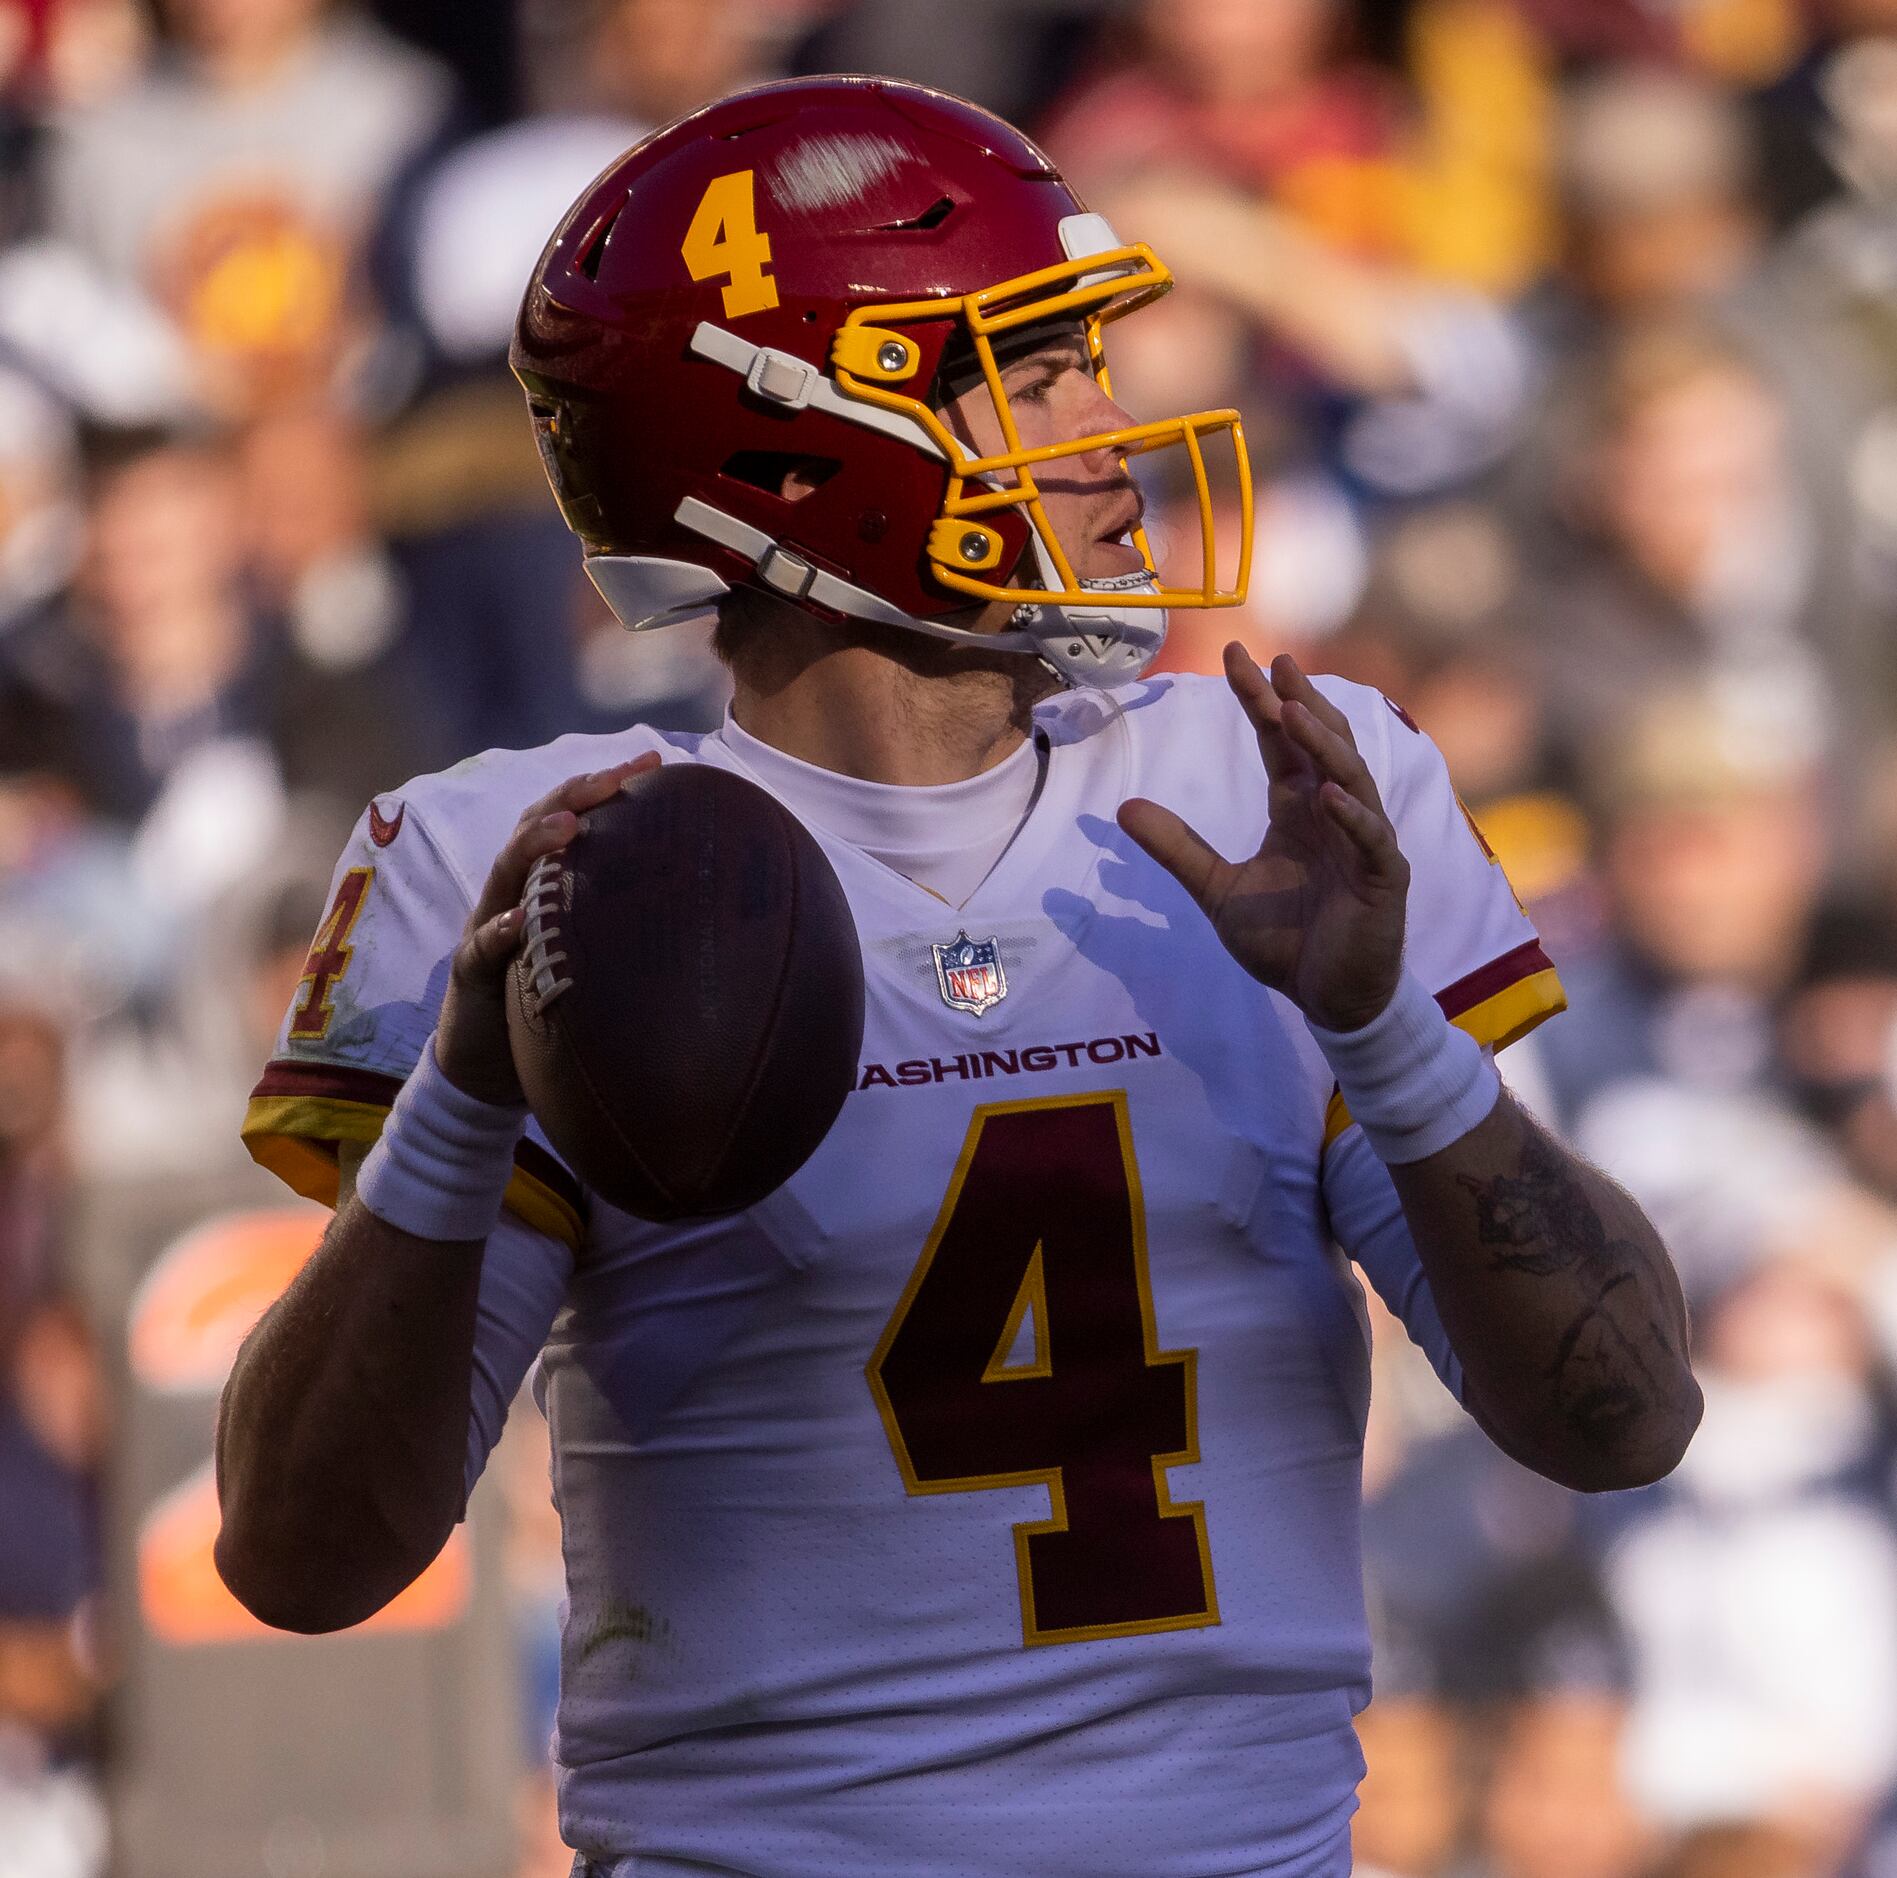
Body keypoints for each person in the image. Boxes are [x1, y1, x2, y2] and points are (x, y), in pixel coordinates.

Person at [213, 77, 1701, 1878]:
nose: (1108, 422)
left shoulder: (1280, 785)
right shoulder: (556, 861)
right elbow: (299, 1560)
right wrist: (456, 1104)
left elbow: (1620, 1416)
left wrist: (1387, 1035)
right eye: (1039, 367)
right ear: (791, 440)